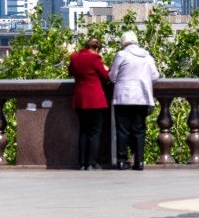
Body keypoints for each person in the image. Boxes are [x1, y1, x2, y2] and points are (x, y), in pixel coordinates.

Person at [107, 31, 159, 171]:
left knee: (122, 130)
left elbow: (112, 76)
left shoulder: (121, 55)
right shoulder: (147, 56)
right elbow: (155, 76)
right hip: (142, 97)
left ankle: (121, 161)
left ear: (123, 42)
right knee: (139, 131)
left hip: (123, 98)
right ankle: (139, 161)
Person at [68, 37, 111, 170]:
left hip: (80, 98)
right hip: (95, 99)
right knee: (94, 132)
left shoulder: (75, 57)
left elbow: (70, 72)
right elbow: (106, 76)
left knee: (83, 131)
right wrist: (106, 68)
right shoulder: (95, 58)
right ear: (97, 49)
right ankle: (92, 163)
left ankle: (82, 163)